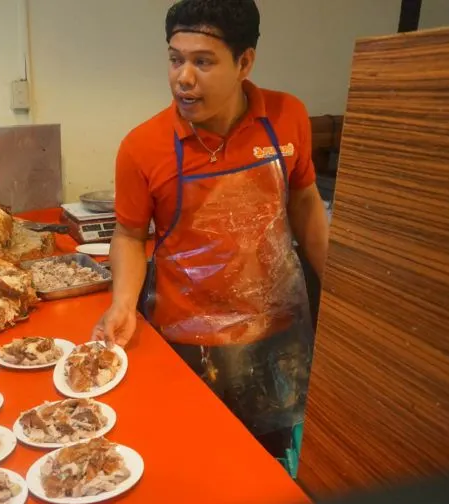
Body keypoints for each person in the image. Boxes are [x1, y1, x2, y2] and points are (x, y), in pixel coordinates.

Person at [93, 0, 330, 458]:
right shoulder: (142, 146)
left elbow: (304, 200)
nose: (183, 77)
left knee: (269, 463)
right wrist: (122, 304)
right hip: (187, 342)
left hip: (276, 335)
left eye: (202, 62)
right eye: (175, 58)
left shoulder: (286, 117)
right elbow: (128, 234)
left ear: (245, 62)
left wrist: (341, 289)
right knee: (193, 460)